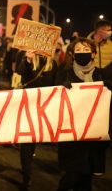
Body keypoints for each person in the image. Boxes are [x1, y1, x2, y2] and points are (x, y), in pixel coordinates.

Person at [55, 37, 111, 191]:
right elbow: (53, 100)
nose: (82, 53)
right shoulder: (64, 74)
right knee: (72, 176)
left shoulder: (101, 75)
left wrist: (108, 89)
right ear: (72, 54)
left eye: (86, 50)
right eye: (78, 50)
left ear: (93, 54)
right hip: (72, 136)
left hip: (93, 138)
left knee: (86, 180)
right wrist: (61, 89)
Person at [15, 49, 57, 187]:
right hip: (27, 105)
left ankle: (28, 161)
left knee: (34, 140)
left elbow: (55, 85)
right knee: (27, 141)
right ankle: (26, 175)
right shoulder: (28, 58)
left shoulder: (53, 64)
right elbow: (19, 71)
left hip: (43, 108)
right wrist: (27, 59)